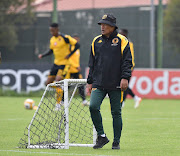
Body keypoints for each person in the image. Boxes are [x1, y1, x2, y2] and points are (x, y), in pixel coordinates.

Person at [87, 13, 133, 150]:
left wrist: (125, 78)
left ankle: (116, 141)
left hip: (116, 83)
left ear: (113, 27)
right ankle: (101, 136)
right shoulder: (96, 41)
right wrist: (90, 81)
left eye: (105, 24)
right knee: (93, 107)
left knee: (116, 112)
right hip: (98, 83)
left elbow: (127, 61)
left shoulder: (122, 40)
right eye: (101, 24)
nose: (102, 27)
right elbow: (92, 63)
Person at [38, 23, 80, 110]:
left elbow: (77, 45)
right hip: (56, 64)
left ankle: (58, 104)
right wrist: (43, 55)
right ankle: (61, 89)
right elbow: (51, 50)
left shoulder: (65, 38)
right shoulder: (52, 39)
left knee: (57, 81)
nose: (51, 32)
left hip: (64, 64)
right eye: (50, 31)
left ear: (57, 30)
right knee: (48, 83)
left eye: (53, 31)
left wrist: (70, 55)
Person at [119, 29, 142, 109]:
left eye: (121, 33)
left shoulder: (128, 43)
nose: (119, 34)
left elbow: (129, 57)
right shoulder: (121, 42)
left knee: (124, 84)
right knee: (123, 84)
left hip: (128, 67)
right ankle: (134, 98)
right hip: (123, 67)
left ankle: (123, 102)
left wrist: (129, 68)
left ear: (125, 34)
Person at [69, 34, 89, 106]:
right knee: (67, 86)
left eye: (77, 39)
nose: (76, 41)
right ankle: (61, 101)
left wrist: (77, 66)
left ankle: (84, 101)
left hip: (76, 70)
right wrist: (75, 66)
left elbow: (75, 59)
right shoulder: (70, 47)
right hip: (70, 70)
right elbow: (68, 59)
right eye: (74, 39)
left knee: (81, 85)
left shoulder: (77, 48)